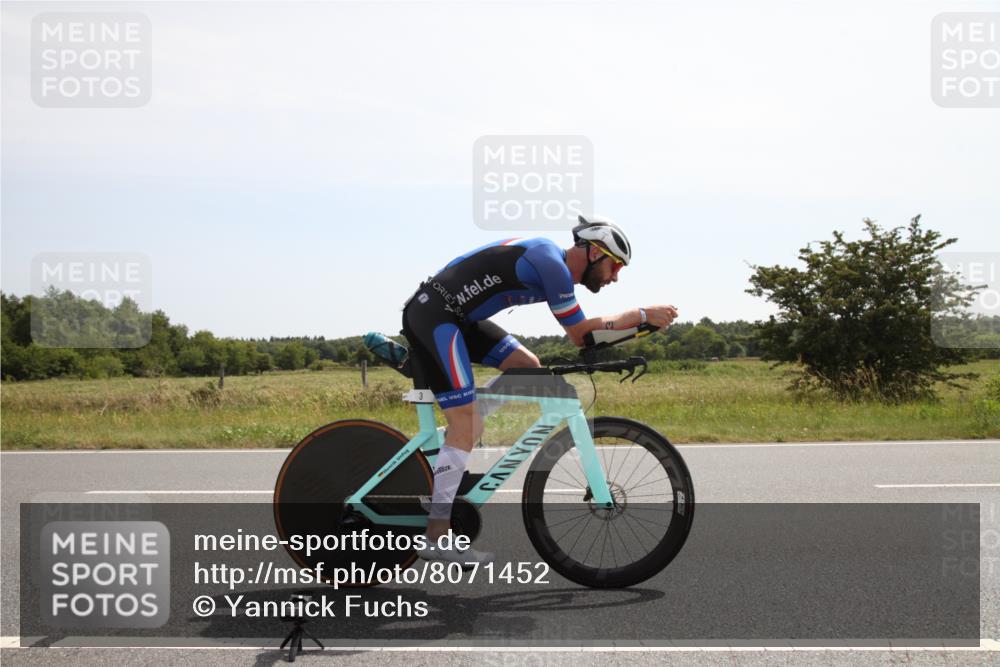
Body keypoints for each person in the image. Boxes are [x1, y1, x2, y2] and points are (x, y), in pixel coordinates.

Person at [403, 214, 678, 566]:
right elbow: (580, 334)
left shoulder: (554, 265)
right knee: (467, 423)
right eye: (615, 266)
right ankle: (436, 536)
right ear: (594, 253)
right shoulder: (552, 265)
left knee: (526, 368)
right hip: (435, 315)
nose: (616, 277)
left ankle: (455, 436)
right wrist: (641, 314)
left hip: (458, 318)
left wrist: (639, 327)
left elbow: (588, 338)